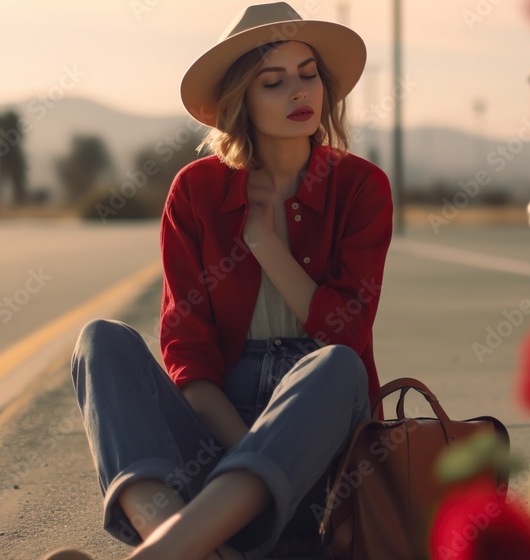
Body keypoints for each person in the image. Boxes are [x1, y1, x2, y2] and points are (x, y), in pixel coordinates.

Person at [44, 3, 393, 559]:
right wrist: (242, 450)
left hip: (315, 450)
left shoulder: (360, 186)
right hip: (214, 440)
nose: (299, 93)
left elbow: (346, 331)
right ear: (242, 100)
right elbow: (188, 350)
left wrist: (264, 243)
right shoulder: (196, 190)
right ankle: (187, 543)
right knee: (100, 341)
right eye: (273, 82)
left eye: (308, 75)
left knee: (339, 366)